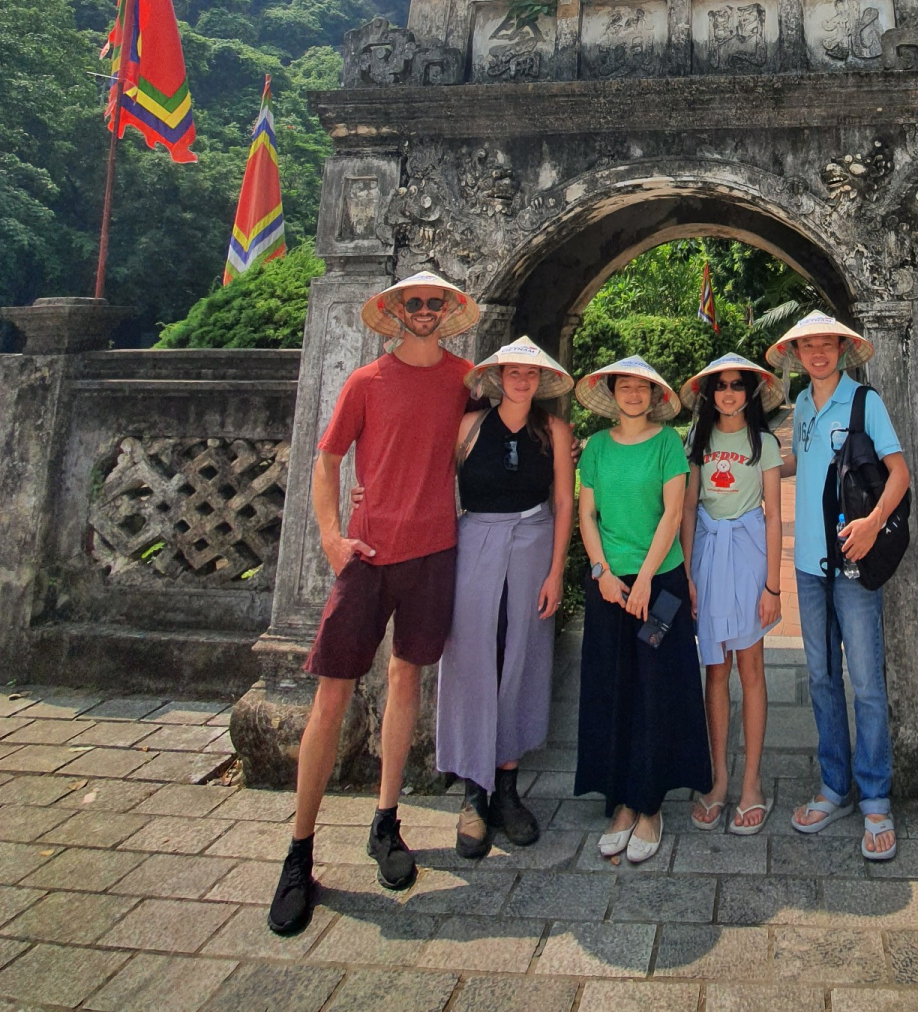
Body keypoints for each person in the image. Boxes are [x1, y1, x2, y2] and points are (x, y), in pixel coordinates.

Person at [267, 271, 480, 937]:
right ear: (394, 312)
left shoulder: (466, 379)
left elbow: (493, 435)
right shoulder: (365, 382)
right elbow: (326, 461)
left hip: (434, 548)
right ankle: (299, 850)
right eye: (413, 303)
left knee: (405, 679)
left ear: (448, 312)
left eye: (434, 303)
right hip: (368, 554)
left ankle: (386, 821)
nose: (423, 311)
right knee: (332, 693)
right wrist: (332, 537)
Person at [768, 311, 910, 863]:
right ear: (798, 355)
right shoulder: (801, 405)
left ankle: (876, 797)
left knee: (867, 681)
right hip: (808, 564)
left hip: (854, 560)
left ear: (842, 351)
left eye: (828, 345)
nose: (819, 355)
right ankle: (835, 786)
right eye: (810, 347)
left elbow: (899, 472)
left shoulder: (864, 403)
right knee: (823, 677)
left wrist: (873, 523)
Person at [435, 336, 576, 859]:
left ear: (540, 380)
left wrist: (557, 570)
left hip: (534, 540)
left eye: (530, 373)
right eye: (513, 372)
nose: (522, 380)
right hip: (476, 539)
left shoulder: (554, 430)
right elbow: (433, 482)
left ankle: (509, 786)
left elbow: (564, 499)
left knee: (522, 657)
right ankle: (474, 788)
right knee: (472, 655)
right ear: (497, 377)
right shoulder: (469, 427)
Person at [573, 356, 712, 864]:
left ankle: (651, 804)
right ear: (612, 392)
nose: (633, 394)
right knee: (613, 686)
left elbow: (673, 513)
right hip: (608, 587)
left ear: (654, 397)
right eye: (624, 386)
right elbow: (587, 512)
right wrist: (602, 572)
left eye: (641, 388)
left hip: (660, 587)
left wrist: (646, 580)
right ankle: (622, 803)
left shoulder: (667, 445)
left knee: (656, 687)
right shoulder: (596, 449)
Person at [679, 353, 785, 834]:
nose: (728, 393)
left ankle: (752, 783)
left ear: (750, 392)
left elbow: (774, 514)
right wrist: (687, 573)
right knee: (714, 670)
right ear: (708, 394)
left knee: (752, 668)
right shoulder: (696, 441)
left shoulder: (762, 442)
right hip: (706, 552)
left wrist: (772, 585)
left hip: (746, 555)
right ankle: (719, 779)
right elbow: (686, 509)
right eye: (719, 386)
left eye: (737, 385)